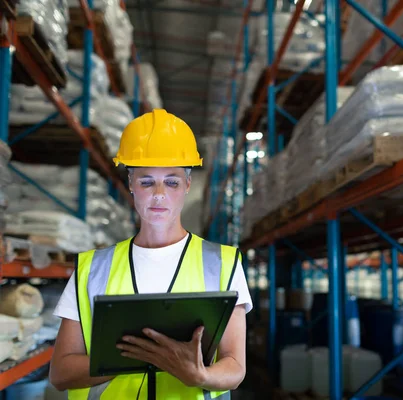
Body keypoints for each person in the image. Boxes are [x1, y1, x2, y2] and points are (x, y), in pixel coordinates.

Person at [49, 109, 252, 399]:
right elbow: (60, 373)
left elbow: (235, 366)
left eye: (171, 181)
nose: (159, 193)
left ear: (187, 185)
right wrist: (139, 356)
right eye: (146, 181)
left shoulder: (224, 264)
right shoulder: (91, 268)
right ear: (131, 183)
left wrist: (200, 375)